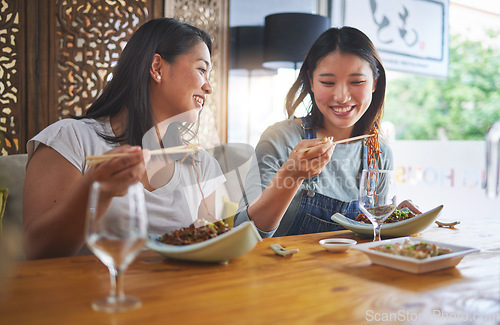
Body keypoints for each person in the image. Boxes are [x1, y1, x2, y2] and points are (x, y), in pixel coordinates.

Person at [23, 18, 225, 259]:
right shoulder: (70, 139)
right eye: (202, 70)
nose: (209, 87)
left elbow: (209, 248)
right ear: (157, 68)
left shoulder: (201, 164)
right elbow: (37, 252)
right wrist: (96, 188)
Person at [234, 26, 420, 238]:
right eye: (328, 82)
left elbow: (372, 234)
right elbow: (243, 232)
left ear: (375, 83)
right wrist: (292, 175)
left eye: (357, 82)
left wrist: (394, 217)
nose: (341, 96)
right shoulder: (280, 139)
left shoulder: (379, 151)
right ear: (311, 81)